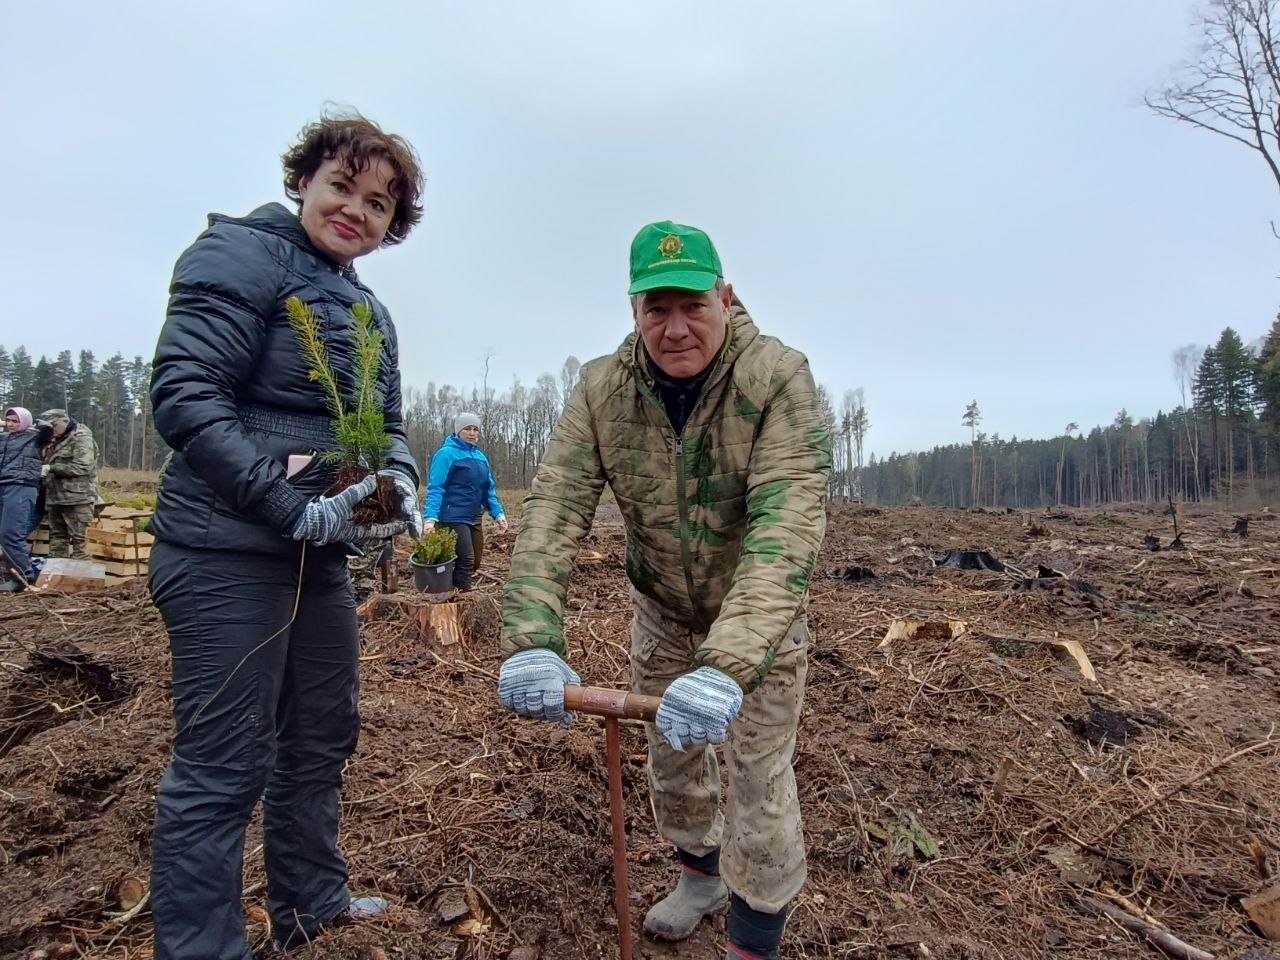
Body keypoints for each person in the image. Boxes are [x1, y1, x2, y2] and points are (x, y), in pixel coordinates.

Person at [497, 221, 831, 960]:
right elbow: (554, 508)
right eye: (657, 310)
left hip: (759, 622)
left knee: (758, 779)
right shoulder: (601, 389)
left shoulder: (776, 377)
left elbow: (786, 526)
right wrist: (530, 639)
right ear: (634, 309)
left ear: (725, 296)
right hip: (663, 612)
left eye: (692, 306)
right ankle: (699, 876)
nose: (675, 329)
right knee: (672, 755)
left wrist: (729, 663)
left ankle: (753, 940)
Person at [146, 112, 426, 960]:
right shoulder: (240, 255)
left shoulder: (368, 308)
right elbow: (187, 392)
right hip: (225, 552)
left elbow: (387, 427)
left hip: (318, 562)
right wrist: (286, 504)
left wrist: (400, 481)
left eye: (379, 204)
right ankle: (202, 947)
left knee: (319, 735)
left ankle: (312, 906)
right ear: (304, 180)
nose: (356, 211)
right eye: (343, 186)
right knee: (224, 764)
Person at [422, 412, 508, 590]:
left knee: (475, 562)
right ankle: (460, 596)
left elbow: (488, 489)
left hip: (474, 516)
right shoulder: (445, 454)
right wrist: (430, 519)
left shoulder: (481, 458)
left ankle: (447, 584)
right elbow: (436, 487)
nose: (471, 433)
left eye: (475, 429)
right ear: (458, 430)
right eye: (467, 428)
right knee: (466, 559)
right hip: (452, 515)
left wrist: (498, 513)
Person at [1, 407, 52, 592]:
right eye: (8, 420)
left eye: (15, 421)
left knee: (11, 533)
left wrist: (34, 425)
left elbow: (48, 430)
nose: (11, 424)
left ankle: (23, 577)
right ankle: (11, 574)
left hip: (21, 487)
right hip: (2, 486)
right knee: (3, 535)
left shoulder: (36, 438)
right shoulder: (3, 438)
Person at [37, 409, 99, 560]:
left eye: (54, 425)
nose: (52, 429)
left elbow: (83, 466)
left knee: (80, 543)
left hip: (78, 499)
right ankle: (57, 578)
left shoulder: (81, 437)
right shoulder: (53, 439)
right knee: (57, 540)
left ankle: (82, 580)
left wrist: (53, 468)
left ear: (65, 421)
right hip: (55, 497)